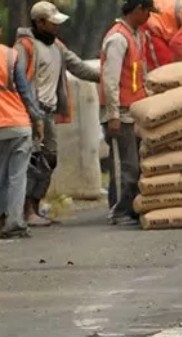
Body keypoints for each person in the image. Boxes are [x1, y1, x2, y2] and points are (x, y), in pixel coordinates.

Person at [14, 1, 101, 227]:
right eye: (52, 23)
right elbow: (19, 80)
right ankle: (26, 210)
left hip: (49, 112)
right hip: (32, 112)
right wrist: (31, 112)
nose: (56, 27)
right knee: (33, 161)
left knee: (49, 159)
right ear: (39, 22)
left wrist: (105, 76)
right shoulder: (25, 47)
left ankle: (34, 204)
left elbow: (77, 67)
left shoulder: (58, 47)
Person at [100, 0, 156, 226]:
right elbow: (110, 79)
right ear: (138, 10)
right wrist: (112, 114)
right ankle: (119, 210)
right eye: (148, 12)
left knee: (133, 164)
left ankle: (129, 207)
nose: (150, 17)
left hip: (133, 110)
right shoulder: (118, 38)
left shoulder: (136, 35)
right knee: (125, 166)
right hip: (120, 113)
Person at [0, 27, 46, 239]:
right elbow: (26, 94)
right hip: (18, 123)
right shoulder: (10, 55)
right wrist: (37, 119)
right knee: (17, 176)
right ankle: (15, 223)